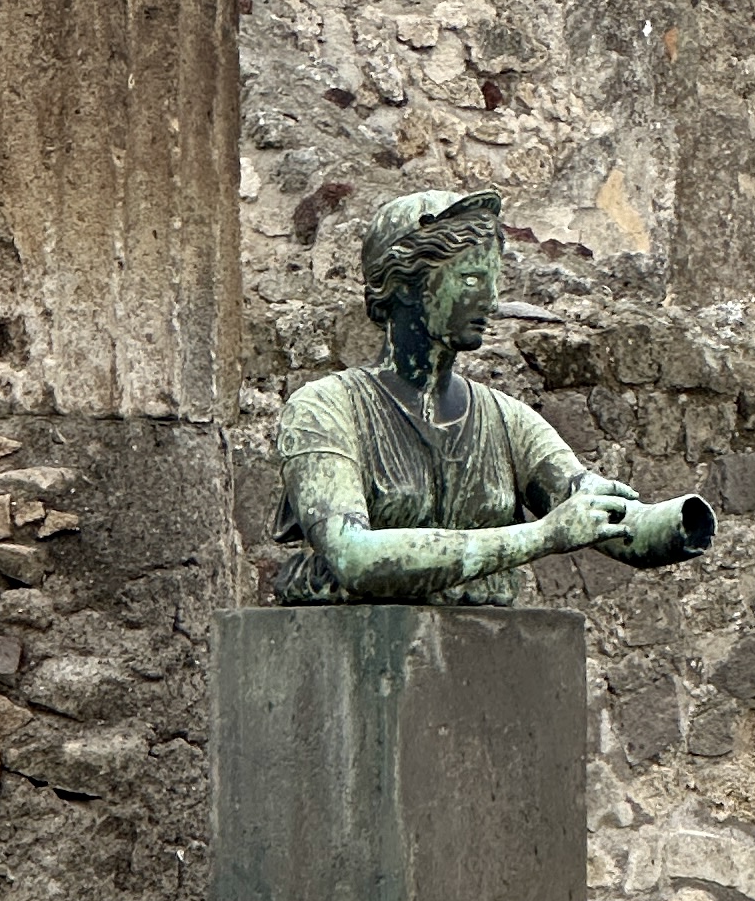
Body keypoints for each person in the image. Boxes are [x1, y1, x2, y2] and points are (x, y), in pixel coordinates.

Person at [272, 188, 657, 602]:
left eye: (493, 281)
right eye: (471, 279)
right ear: (404, 285)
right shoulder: (325, 409)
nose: (491, 302)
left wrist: (673, 522)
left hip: (485, 640)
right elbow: (353, 556)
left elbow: (602, 515)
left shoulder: (508, 421)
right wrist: (544, 535)